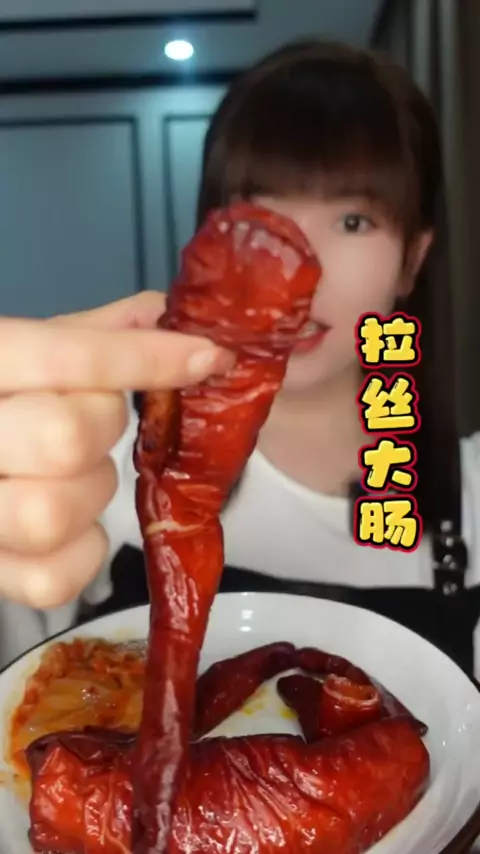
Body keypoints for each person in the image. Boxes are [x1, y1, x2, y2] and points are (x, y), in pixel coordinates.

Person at [2, 40, 480, 676]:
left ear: (412, 262)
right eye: (260, 213)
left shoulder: (472, 495)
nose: (297, 268)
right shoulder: (92, 456)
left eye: (353, 221)